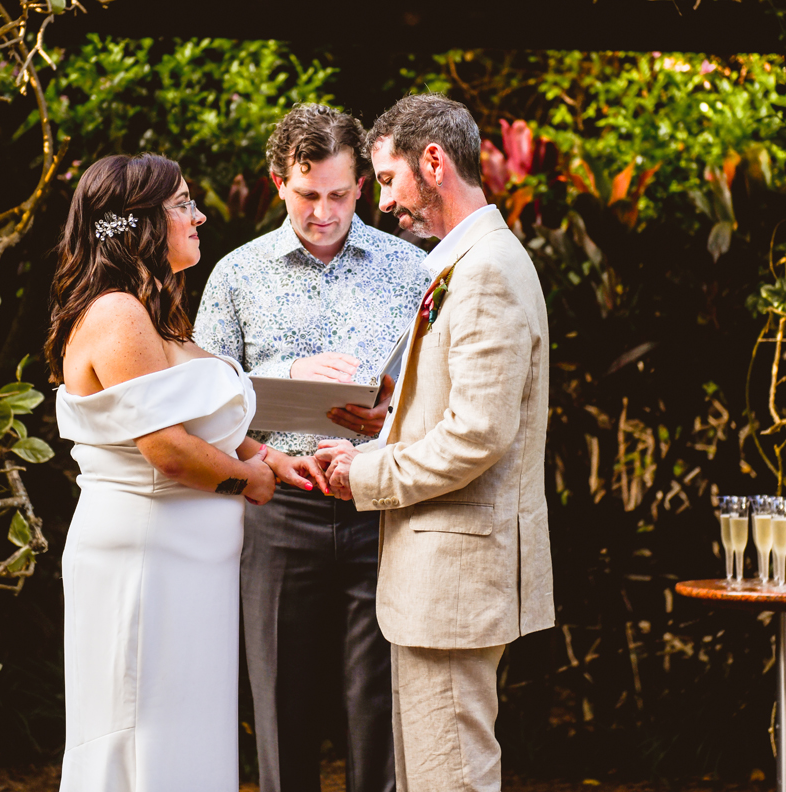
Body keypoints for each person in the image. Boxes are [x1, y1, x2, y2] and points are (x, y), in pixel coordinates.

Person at [46, 153, 326, 791]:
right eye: (182, 204)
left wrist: (268, 456)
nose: (198, 216)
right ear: (138, 222)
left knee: (185, 735)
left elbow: (202, 423)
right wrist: (248, 482)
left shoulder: (157, 314)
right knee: (144, 736)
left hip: (189, 571)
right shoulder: (117, 313)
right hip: (145, 562)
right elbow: (167, 448)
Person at [316, 94, 554, 792]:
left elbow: (479, 434)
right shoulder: (467, 262)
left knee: (450, 778)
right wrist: (390, 419)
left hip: (457, 582)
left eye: (387, 180)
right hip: (441, 580)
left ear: (433, 161)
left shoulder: (484, 272)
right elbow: (464, 408)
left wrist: (364, 474)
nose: (384, 203)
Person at [193, 104, 428, 792]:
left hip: (379, 508)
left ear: (361, 185)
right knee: (280, 712)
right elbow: (202, 404)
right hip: (278, 510)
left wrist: (393, 410)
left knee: (378, 713)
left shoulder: (414, 272)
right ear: (277, 183)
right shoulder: (235, 275)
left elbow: (438, 389)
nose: (322, 211)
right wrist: (283, 380)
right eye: (306, 195)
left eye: (337, 194)